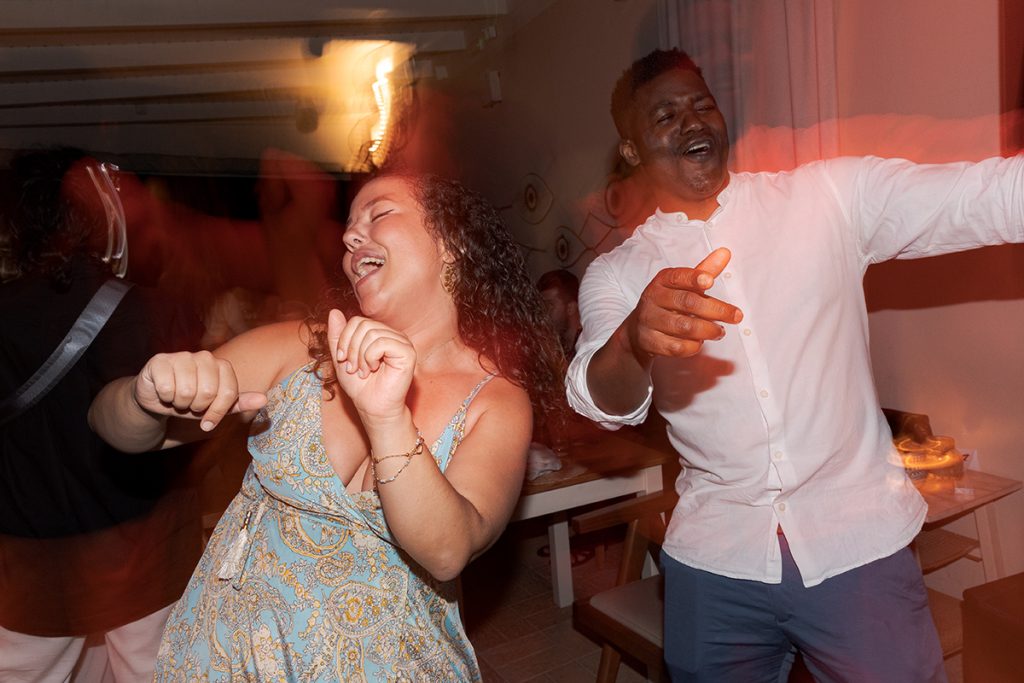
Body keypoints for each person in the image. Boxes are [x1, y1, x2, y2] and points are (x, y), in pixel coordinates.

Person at [566, 48, 1024, 682]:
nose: (693, 122)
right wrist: (635, 340)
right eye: (666, 116)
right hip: (717, 558)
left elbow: (987, 196)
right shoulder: (616, 274)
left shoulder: (825, 198)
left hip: (856, 544)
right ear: (632, 149)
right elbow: (599, 399)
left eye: (703, 105)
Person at [89, 171, 565, 680]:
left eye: (379, 214)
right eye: (350, 228)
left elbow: (448, 551)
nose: (352, 236)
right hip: (229, 657)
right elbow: (108, 425)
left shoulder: (495, 398)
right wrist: (142, 398)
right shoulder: (299, 347)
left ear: (453, 243)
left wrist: (387, 419)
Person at [0, 148, 204, 682]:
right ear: (103, 217)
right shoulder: (157, 311)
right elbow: (188, 436)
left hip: (33, 565)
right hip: (139, 558)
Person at [537, 268, 582, 360]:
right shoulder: (553, 348)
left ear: (570, 308)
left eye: (549, 305)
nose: (542, 313)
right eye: (540, 306)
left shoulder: (589, 345)